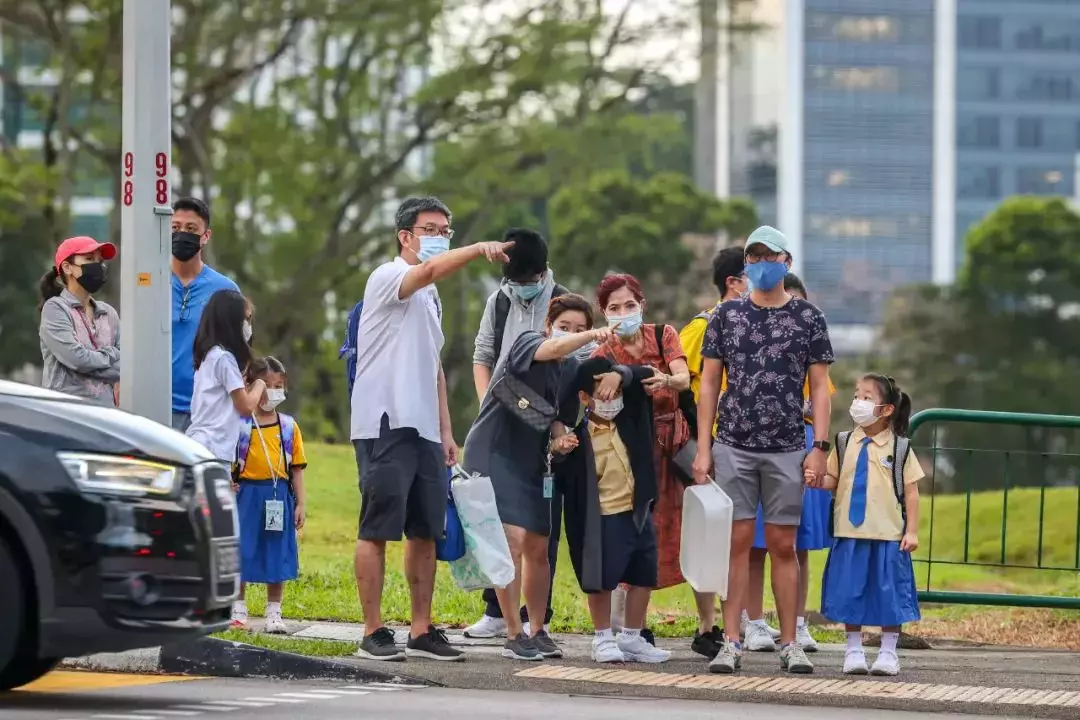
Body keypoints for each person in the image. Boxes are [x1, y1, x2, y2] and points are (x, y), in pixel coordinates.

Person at [351, 196, 513, 663]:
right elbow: (427, 271)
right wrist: (476, 249)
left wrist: (445, 430)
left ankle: (421, 630)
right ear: (406, 236)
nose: (441, 235)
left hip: (424, 428)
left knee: (426, 531)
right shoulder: (387, 276)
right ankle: (373, 630)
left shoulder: (432, 298)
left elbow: (434, 366)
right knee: (377, 528)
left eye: (446, 228)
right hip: (385, 422)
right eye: (430, 228)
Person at [693, 226, 834, 676]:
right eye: (752, 257)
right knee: (735, 543)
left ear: (786, 261)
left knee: (783, 544)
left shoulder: (808, 318)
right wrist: (704, 447)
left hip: (788, 446)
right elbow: (710, 382)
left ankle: (790, 640)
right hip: (733, 443)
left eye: (768, 256)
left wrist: (821, 448)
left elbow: (821, 388)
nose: (760, 264)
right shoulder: (725, 317)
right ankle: (731, 641)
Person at [462, 294, 615, 661]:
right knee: (511, 540)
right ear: (549, 326)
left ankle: (537, 629)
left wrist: (561, 438)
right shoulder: (529, 342)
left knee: (538, 546)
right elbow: (554, 348)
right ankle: (513, 634)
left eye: (581, 328)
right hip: (495, 451)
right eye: (566, 327)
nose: (573, 335)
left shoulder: (568, 371)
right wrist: (591, 336)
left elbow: (555, 416)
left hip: (533, 460)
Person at [590, 274, 713, 653]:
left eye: (629, 305)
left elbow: (681, 377)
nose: (623, 313)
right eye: (614, 308)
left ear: (641, 304)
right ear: (604, 313)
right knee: (636, 535)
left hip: (676, 451)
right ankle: (634, 629)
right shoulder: (601, 353)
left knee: (696, 534)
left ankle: (708, 627)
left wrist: (666, 381)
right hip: (632, 456)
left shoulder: (664, 335)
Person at [465, 228, 574, 641]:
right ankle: (496, 612)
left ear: (543, 273)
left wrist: (559, 423)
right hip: (502, 425)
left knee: (541, 532)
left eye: (528, 282)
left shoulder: (563, 302)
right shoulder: (499, 301)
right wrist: (486, 404)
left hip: (548, 426)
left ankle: (537, 619)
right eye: (514, 282)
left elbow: (572, 362)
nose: (521, 289)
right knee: (502, 525)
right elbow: (482, 355)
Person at [741, 272, 836, 653]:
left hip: (801, 445)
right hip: (755, 446)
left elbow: (821, 399)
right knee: (755, 543)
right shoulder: (747, 337)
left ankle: (796, 622)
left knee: (798, 542)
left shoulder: (811, 336)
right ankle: (754, 622)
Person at [555, 357, 672, 665]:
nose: (611, 400)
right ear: (584, 398)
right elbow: (563, 477)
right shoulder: (578, 439)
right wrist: (558, 451)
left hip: (637, 510)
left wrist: (619, 375)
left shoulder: (633, 416)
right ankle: (603, 636)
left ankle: (632, 637)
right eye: (602, 393)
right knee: (602, 579)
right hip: (603, 517)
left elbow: (646, 373)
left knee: (644, 575)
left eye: (615, 392)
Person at [809, 374, 922, 677]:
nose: (858, 402)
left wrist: (911, 530)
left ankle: (888, 652)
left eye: (867, 397)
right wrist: (818, 480)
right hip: (849, 533)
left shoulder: (899, 449)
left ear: (886, 409)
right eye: (857, 395)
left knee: (890, 595)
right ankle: (853, 649)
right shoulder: (844, 442)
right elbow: (835, 479)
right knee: (850, 592)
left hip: (887, 534)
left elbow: (911, 492)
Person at [230, 356, 308, 634]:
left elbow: (297, 469)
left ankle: (274, 610)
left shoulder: (288, 427)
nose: (273, 393)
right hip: (246, 496)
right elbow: (229, 462)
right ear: (250, 386)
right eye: (267, 386)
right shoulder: (239, 425)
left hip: (277, 497)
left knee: (277, 552)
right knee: (242, 550)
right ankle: (238, 607)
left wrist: (301, 503)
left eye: (278, 386)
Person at [171, 197, 240, 432]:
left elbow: (238, 351)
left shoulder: (225, 290)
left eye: (191, 229)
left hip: (207, 413)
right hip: (155, 408)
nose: (181, 234)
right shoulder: (148, 282)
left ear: (206, 236)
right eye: (175, 227)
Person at [38, 236, 120, 406]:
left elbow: (126, 365)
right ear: (67, 267)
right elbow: (77, 359)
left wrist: (89, 364)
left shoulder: (108, 313)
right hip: (67, 415)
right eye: (89, 259)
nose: (98, 266)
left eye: (100, 260)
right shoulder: (55, 309)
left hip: (107, 416)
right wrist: (111, 355)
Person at [185, 290, 265, 462]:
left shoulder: (210, 355)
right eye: (247, 319)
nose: (249, 326)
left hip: (202, 444)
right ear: (232, 322)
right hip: (213, 448)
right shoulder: (224, 359)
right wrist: (260, 385)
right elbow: (245, 407)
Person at [680, 246, 747, 405]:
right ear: (732, 282)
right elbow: (674, 376)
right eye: (753, 274)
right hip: (712, 428)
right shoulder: (702, 326)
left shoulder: (764, 326)